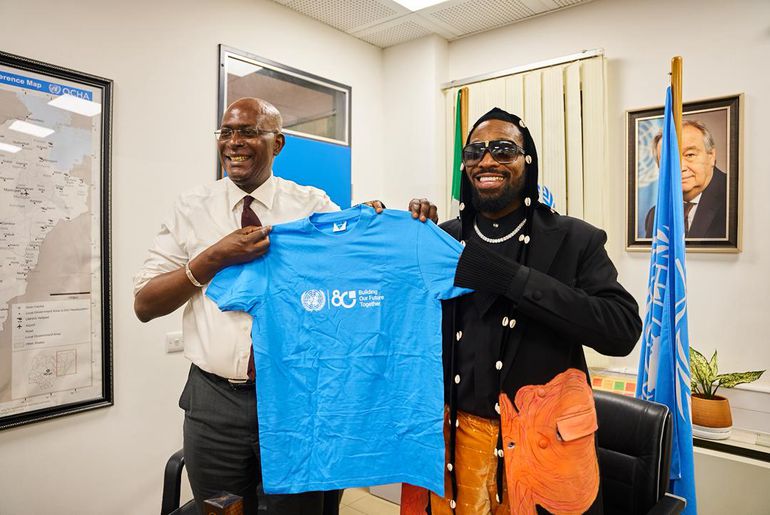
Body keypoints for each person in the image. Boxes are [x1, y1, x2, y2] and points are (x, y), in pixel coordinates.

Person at [133, 97, 434, 515]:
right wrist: (213, 257)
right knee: (221, 509)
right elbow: (145, 304)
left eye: (248, 131)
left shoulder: (312, 205)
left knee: (298, 510)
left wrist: (405, 229)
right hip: (215, 403)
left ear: (277, 143)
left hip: (300, 397)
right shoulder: (190, 207)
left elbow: (361, 269)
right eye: (226, 132)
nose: (234, 142)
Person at [427, 108, 642, 515]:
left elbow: (622, 330)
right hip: (456, 448)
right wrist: (393, 224)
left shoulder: (574, 238)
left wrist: (513, 279)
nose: (486, 161)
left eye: (503, 150)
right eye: (474, 152)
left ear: (528, 161)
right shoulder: (445, 238)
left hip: (544, 450)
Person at [644, 120, 727, 239]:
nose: (680, 168)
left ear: (711, 156)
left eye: (690, 155)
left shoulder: (736, 200)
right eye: (669, 160)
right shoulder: (656, 216)